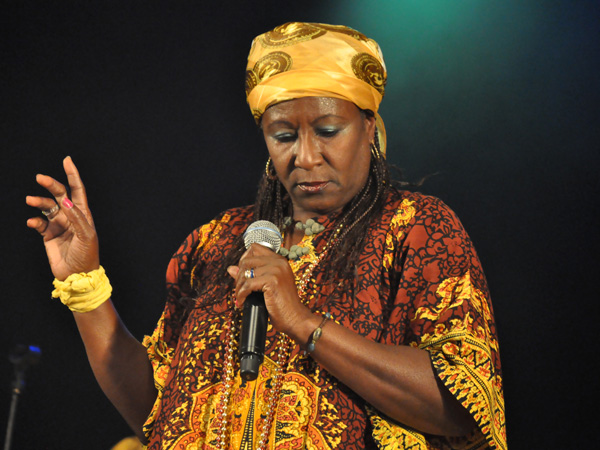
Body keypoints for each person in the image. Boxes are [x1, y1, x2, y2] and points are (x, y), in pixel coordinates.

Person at [26, 22, 506, 450]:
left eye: (328, 129)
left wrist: (301, 320)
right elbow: (153, 412)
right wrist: (85, 285)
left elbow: (460, 404)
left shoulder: (416, 228)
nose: (307, 156)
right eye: (284, 136)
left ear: (369, 126)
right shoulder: (215, 241)